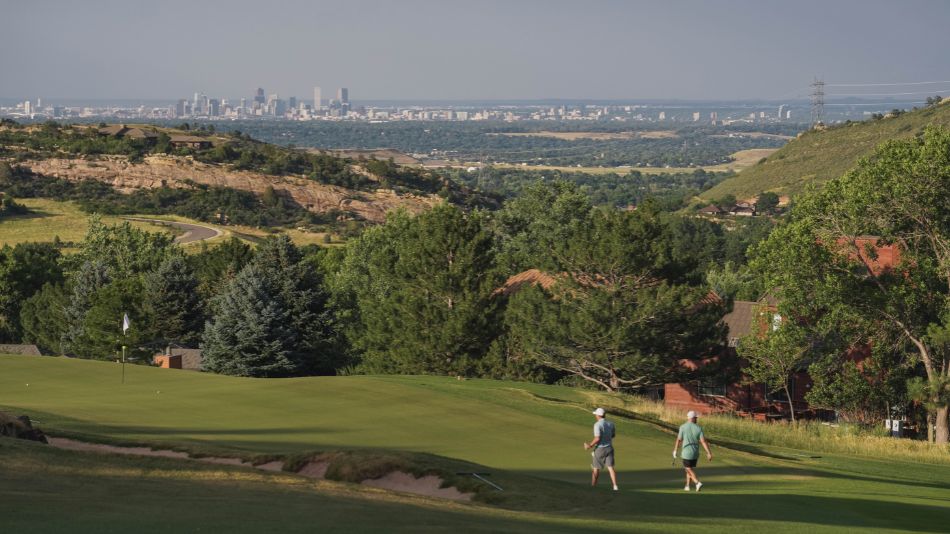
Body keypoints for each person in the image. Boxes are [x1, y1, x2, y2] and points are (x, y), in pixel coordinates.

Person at [673, 410, 712, 491]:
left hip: (686, 453)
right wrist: (708, 453)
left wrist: (675, 450)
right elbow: (703, 441)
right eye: (696, 418)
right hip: (695, 453)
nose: (696, 419)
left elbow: (678, 440)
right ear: (692, 418)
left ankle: (697, 482)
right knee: (690, 469)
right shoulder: (698, 428)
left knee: (687, 468)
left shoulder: (683, 427)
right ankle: (687, 486)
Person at [584, 407, 618, 491]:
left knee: (596, 469)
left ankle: (593, 487)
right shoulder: (611, 424)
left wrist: (589, 446)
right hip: (609, 448)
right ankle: (615, 486)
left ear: (598, 416)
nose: (595, 416)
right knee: (610, 468)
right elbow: (613, 435)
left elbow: (597, 438)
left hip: (600, 449)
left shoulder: (597, 425)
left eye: (596, 414)